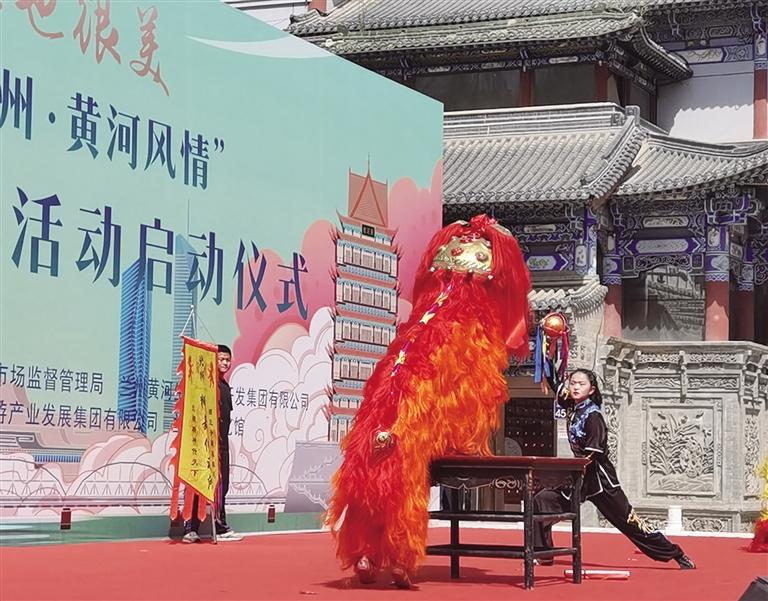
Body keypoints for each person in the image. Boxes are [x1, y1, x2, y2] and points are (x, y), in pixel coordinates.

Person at [325, 215, 532, 588]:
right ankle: (397, 556)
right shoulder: (469, 328)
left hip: (397, 385)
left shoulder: (423, 321)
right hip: (419, 397)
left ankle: (369, 553)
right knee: (404, 465)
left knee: (380, 458)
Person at [533, 368, 695, 569]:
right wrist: (545, 358)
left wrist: (569, 471)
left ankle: (675, 553)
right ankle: (544, 553)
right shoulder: (573, 406)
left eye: (581, 384)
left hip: (600, 480)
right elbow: (555, 384)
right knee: (542, 501)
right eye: (573, 383)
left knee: (629, 522)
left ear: (591, 390)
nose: (575, 387)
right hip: (579, 478)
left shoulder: (593, 416)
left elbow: (592, 454)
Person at [182, 344, 242, 543]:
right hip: (204, 445)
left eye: (227, 360)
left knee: (221, 487)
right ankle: (191, 529)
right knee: (198, 485)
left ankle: (221, 526)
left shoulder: (225, 386)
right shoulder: (205, 385)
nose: (224, 363)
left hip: (222, 446)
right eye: (221, 359)